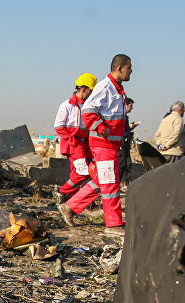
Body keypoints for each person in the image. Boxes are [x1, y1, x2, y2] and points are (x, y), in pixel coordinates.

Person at [60, 53, 132, 229]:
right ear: (119, 68)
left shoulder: (116, 89)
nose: (131, 71)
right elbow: (88, 110)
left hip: (110, 145)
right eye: (129, 67)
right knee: (110, 184)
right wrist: (101, 128)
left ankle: (69, 207)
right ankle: (113, 225)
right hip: (103, 145)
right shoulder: (105, 87)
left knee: (102, 181)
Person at [53, 72, 96, 204]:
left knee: (75, 173)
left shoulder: (89, 106)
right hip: (74, 143)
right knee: (83, 172)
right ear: (83, 89)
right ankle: (62, 191)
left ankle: (69, 200)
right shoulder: (67, 105)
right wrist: (72, 140)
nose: (92, 94)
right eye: (91, 91)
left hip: (85, 143)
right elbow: (59, 126)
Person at [118, 97, 138, 184]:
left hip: (126, 143)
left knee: (128, 163)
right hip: (122, 143)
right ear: (126, 105)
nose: (132, 108)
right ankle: (117, 183)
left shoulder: (124, 116)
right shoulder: (120, 115)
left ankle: (127, 182)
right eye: (131, 105)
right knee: (121, 164)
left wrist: (130, 128)